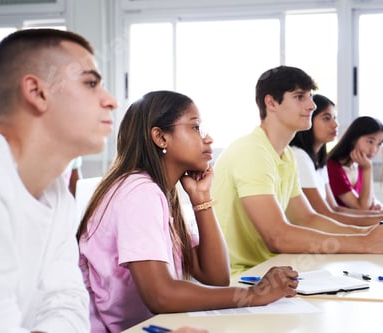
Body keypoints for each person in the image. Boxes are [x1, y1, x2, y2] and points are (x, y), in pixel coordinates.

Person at [77, 90, 299, 333]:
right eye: (195, 128)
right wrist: (253, 295)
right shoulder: (140, 193)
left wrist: (201, 199)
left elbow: (216, 276)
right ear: (160, 137)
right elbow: (160, 295)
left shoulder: (160, 193)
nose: (209, 139)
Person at [0, 28, 118, 332]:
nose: (111, 101)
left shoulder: (56, 192)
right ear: (37, 93)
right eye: (90, 83)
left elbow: (68, 301)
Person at [212, 65, 383, 275]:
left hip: (268, 269)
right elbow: (277, 237)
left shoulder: (286, 155)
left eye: (310, 96)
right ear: (271, 102)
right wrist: (364, 242)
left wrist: (366, 232)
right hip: (238, 276)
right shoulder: (252, 151)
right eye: (299, 97)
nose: (312, 105)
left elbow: (308, 218)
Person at [289, 94, 383, 226]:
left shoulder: (319, 161)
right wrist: (382, 219)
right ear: (308, 118)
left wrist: (380, 214)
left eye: (335, 118)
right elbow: (326, 214)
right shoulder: (299, 156)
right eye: (326, 118)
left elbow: (334, 208)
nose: (335, 124)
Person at [326, 116, 383, 210]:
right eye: (370, 141)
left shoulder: (359, 164)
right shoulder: (332, 167)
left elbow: (371, 198)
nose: (374, 149)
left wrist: (376, 203)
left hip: (360, 223)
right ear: (354, 138)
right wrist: (367, 168)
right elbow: (363, 208)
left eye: (379, 144)